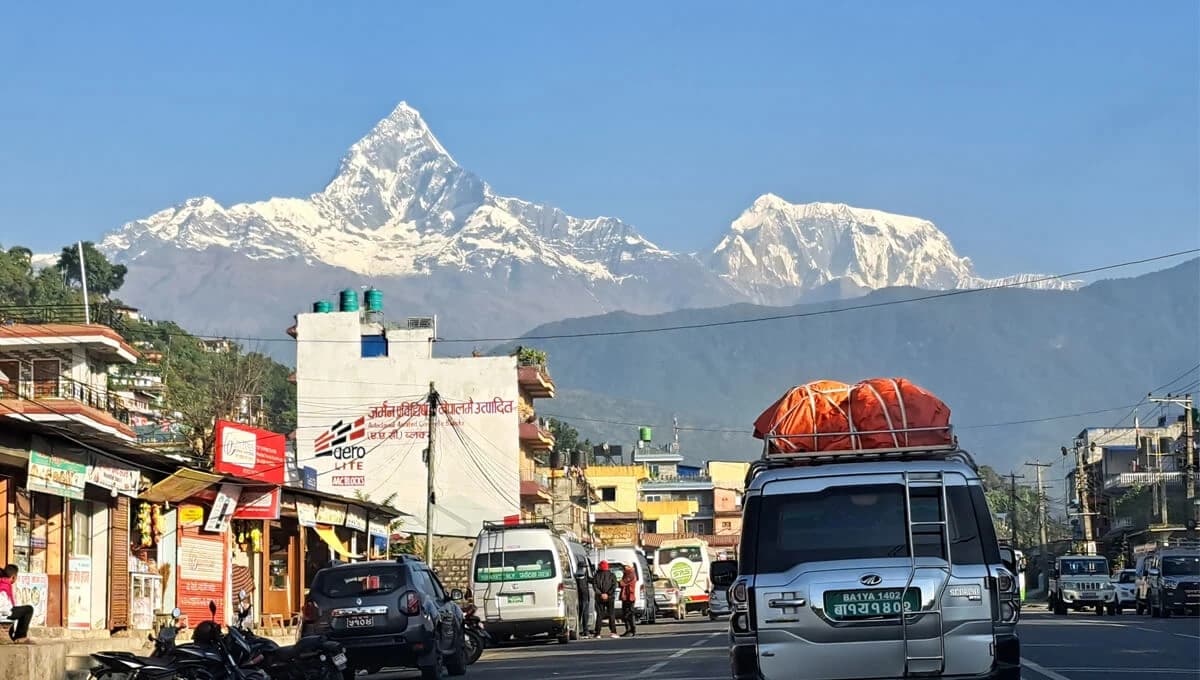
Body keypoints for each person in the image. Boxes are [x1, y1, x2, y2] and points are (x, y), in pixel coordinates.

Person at [0, 564, 34, 644]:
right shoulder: (5, 585)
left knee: (15, 612)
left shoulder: (2, 582)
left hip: (3, 611)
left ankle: (13, 635)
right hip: (2, 612)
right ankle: (20, 636)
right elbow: (4, 608)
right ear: (13, 577)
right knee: (28, 609)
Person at [592, 560, 618, 639]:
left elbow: (594, 585)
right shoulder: (612, 575)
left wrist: (600, 594)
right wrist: (608, 594)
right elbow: (614, 585)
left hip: (599, 598)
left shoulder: (596, 575)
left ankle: (597, 633)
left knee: (600, 615)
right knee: (611, 614)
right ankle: (613, 632)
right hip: (610, 597)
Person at [618, 563, 637, 637]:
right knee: (625, 614)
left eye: (625, 566)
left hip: (629, 597)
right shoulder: (627, 574)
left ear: (629, 567)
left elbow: (622, 583)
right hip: (626, 597)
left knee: (629, 614)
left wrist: (618, 581)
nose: (624, 567)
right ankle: (629, 630)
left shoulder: (630, 574)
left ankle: (631, 630)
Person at [575, 560, 592, 639]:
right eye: (584, 567)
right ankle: (582, 630)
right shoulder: (579, 575)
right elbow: (581, 588)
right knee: (582, 614)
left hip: (585, 597)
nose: (585, 569)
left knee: (585, 614)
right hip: (582, 598)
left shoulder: (584, 575)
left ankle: (585, 631)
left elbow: (590, 580)